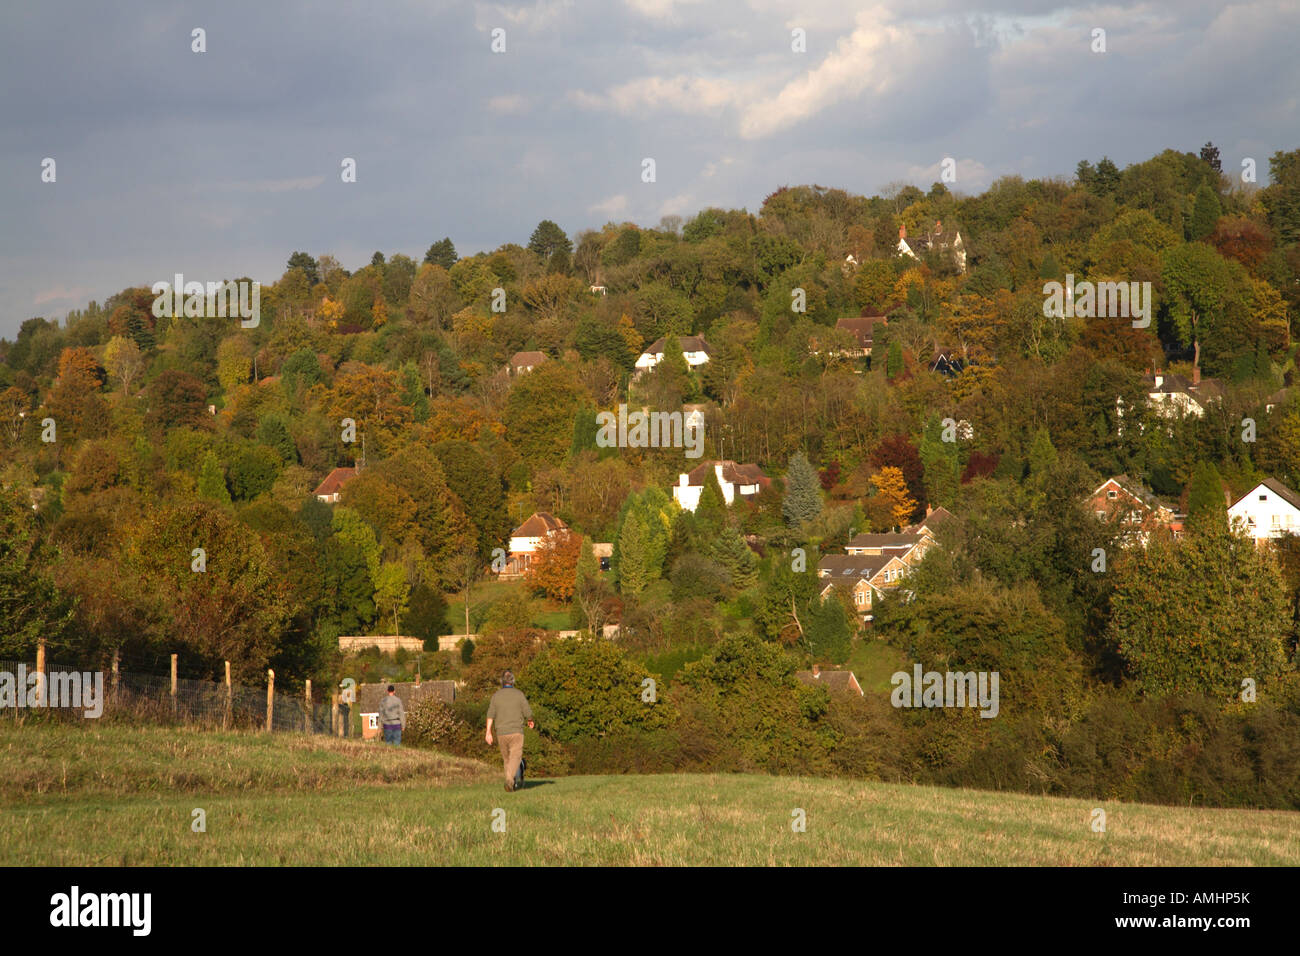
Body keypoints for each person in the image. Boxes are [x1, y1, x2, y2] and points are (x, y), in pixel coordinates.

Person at [485, 671, 534, 792]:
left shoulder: (496, 696)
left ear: (502, 682)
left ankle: (510, 784)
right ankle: (509, 781)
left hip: (501, 733)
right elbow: (528, 711)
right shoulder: (519, 694)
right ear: (513, 681)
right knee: (515, 757)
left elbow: (490, 714)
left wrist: (488, 732)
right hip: (516, 732)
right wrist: (530, 720)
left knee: (507, 759)